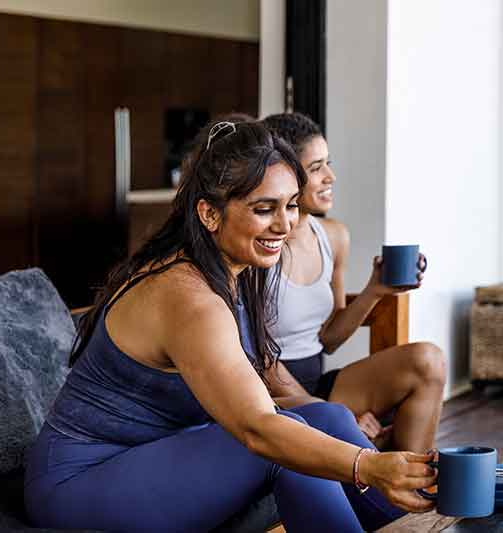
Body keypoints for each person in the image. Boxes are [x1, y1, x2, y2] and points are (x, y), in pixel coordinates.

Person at [24, 118, 437, 532]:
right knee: (275, 448)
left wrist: (397, 467)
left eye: (291, 204)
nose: (285, 224)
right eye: (264, 209)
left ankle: (421, 524)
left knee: (329, 419)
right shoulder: (188, 298)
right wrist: (368, 464)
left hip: (160, 453)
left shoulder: (236, 270)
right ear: (209, 213)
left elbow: (268, 394)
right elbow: (258, 429)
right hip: (80, 481)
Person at [262, 113, 446, 453]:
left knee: (428, 360)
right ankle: (382, 469)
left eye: (327, 163)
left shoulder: (332, 236)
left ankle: (410, 486)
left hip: (317, 383)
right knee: (344, 426)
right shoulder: (260, 247)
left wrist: (375, 289)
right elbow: (254, 358)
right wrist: (337, 418)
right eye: (316, 167)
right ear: (284, 173)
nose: (330, 176)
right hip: (269, 394)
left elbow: (329, 339)